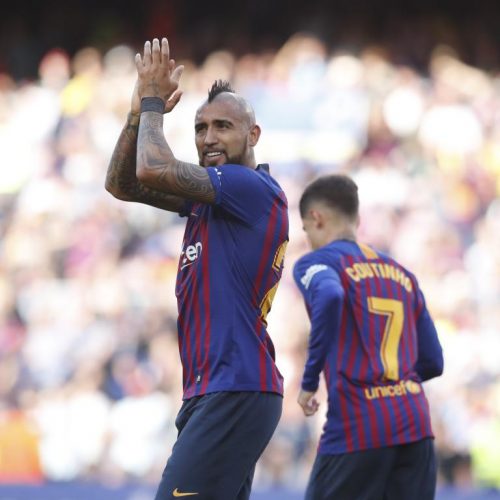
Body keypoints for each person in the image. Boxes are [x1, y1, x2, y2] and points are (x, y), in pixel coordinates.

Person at [105, 38, 288, 499]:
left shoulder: (248, 187)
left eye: (223, 126)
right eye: (201, 127)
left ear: (253, 135)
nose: (209, 138)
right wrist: (136, 114)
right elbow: (121, 184)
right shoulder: (211, 202)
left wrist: (152, 102)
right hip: (219, 390)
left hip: (234, 387)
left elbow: (151, 167)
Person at [293, 174, 444, 500]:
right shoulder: (403, 274)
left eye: (305, 230)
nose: (308, 239)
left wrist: (309, 382)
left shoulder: (316, 263)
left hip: (357, 424)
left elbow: (330, 295)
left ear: (316, 218)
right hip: (415, 424)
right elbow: (434, 361)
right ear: (357, 219)